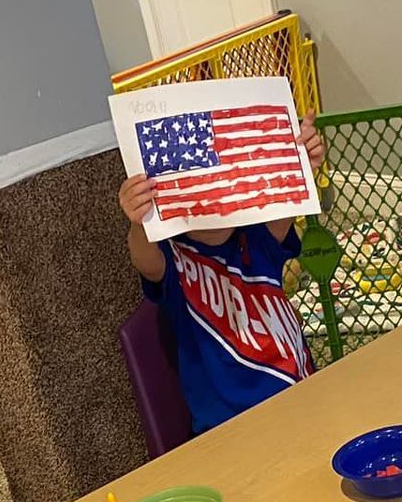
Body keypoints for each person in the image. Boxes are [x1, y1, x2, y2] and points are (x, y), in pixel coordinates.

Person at [119, 117, 326, 435]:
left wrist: (303, 165)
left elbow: (287, 205)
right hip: (228, 430)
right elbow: (145, 261)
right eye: (198, 192)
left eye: (222, 186)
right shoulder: (175, 258)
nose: (212, 207)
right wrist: (139, 220)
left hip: (302, 400)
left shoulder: (255, 235)